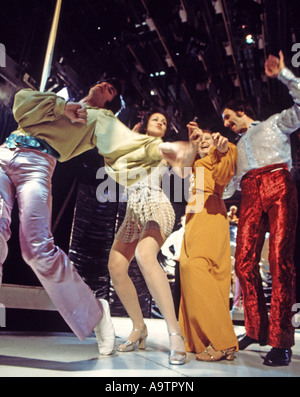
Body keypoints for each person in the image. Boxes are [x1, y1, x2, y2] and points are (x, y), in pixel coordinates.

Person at [0, 79, 186, 355]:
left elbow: (124, 144)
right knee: (116, 266)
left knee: (38, 250)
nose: (103, 86)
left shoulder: (102, 120)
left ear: (111, 102)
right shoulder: (60, 100)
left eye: (110, 89)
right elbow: (22, 102)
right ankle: (140, 328)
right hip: (6, 153)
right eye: (102, 82)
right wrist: (63, 107)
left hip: (43, 166)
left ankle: (161, 331)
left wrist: (162, 150)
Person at [222, 51, 299, 366]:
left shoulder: (274, 123)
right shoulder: (234, 148)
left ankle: (280, 342)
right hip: (249, 193)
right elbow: (229, 187)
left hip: (279, 183)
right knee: (242, 263)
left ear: (241, 111)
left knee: (280, 261)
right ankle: (255, 328)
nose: (226, 124)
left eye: (228, 117)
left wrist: (284, 74)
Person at [108, 110, 186, 365]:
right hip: (134, 211)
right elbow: (114, 160)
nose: (161, 123)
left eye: (164, 122)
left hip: (157, 206)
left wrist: (183, 155)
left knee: (144, 255)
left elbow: (183, 175)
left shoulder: (161, 147)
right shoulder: (133, 145)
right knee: (116, 267)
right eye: (156, 119)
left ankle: (175, 334)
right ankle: (139, 327)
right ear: (144, 124)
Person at [174, 124, 239, 362]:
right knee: (201, 272)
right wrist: (193, 142)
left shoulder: (224, 151)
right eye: (201, 139)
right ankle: (203, 340)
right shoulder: (194, 163)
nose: (205, 141)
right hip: (193, 216)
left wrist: (222, 150)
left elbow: (224, 175)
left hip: (211, 212)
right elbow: (180, 172)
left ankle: (223, 341)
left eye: (208, 139)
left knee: (196, 268)